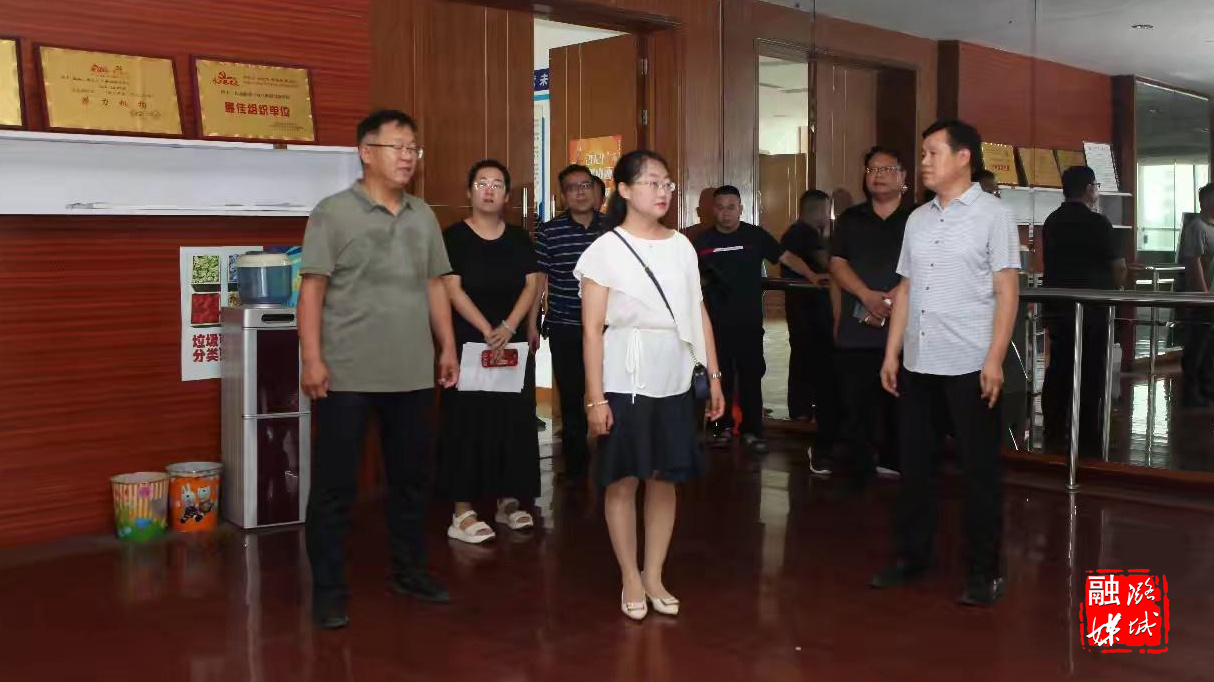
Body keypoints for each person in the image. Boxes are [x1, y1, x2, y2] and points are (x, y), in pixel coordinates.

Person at [299, 110, 458, 629]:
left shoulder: (422, 215)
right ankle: (328, 590)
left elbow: (435, 283)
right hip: (346, 374)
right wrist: (312, 358)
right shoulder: (333, 213)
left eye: (413, 148)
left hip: (411, 373)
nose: (408, 157)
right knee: (335, 487)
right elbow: (312, 289)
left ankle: (409, 571)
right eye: (398, 147)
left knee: (412, 480)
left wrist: (447, 346)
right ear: (367, 153)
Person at [874, 119, 1020, 606]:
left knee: (979, 473)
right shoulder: (917, 219)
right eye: (923, 153)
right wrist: (892, 352)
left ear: (963, 157)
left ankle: (984, 572)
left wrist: (995, 359)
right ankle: (911, 558)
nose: (924, 162)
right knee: (915, 468)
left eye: (933, 152)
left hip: (971, 364)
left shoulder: (994, 215)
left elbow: (1006, 291)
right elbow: (906, 289)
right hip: (919, 363)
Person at [575, 149, 725, 620]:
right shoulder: (605, 249)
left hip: (675, 374)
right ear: (623, 190)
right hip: (625, 376)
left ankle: (654, 573)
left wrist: (714, 375)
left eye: (667, 183)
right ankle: (629, 576)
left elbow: (697, 312)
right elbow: (591, 329)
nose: (662, 191)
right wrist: (595, 397)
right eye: (652, 182)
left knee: (664, 479)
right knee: (623, 480)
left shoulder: (681, 246)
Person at [438, 160, 541, 544]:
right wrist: (486, 329)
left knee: (512, 420)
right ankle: (462, 510)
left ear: (507, 196)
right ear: (469, 192)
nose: (489, 189)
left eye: (497, 184)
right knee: (467, 422)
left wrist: (510, 327)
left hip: (510, 341)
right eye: (481, 183)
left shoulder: (518, 238)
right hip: (470, 339)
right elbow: (451, 288)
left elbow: (532, 284)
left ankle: (508, 500)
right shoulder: (454, 237)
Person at [695, 185, 816, 454]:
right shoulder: (703, 242)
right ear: (713, 210)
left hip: (749, 323)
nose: (726, 213)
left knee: (751, 377)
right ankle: (721, 429)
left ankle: (752, 431)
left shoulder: (755, 236)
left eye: (731, 207)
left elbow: (785, 257)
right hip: (715, 326)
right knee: (721, 379)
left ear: (741, 209)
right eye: (721, 207)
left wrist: (811, 275)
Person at [828, 146, 913, 487]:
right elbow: (837, 263)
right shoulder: (851, 219)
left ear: (903, 176)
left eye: (886, 169)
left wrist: (894, 297)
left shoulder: (918, 218)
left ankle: (897, 461)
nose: (877, 175)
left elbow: (929, 263)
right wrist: (866, 295)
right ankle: (859, 467)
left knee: (902, 401)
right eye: (872, 170)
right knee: (856, 400)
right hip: (858, 327)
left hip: (906, 328)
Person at [1040, 165, 1126, 453]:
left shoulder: (1052, 221)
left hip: (1058, 308)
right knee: (1091, 370)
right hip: (1093, 310)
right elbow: (1118, 269)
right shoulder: (1099, 223)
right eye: (1096, 186)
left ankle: (1053, 430)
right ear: (1090, 189)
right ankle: (1087, 434)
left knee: (1059, 367)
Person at [532, 164, 605, 487]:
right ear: (563, 196)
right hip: (565, 325)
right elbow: (539, 279)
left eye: (585, 185)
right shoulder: (550, 231)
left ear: (594, 189)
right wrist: (533, 322)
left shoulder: (613, 229)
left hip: (609, 329)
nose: (580, 192)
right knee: (572, 397)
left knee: (611, 394)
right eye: (573, 187)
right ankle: (576, 466)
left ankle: (612, 462)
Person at [781, 190, 838, 456]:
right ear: (818, 210)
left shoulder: (798, 233)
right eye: (827, 210)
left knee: (805, 357)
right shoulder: (802, 235)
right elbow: (827, 263)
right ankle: (803, 410)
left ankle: (803, 409)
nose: (829, 216)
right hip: (808, 310)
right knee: (808, 357)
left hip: (807, 310)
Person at [1178, 183, 1214, 406]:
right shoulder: (1196, 227)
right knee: (1198, 345)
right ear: (1204, 201)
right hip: (1203, 299)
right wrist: (1204, 296)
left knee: (1210, 348)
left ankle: (1208, 390)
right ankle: (1192, 392)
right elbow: (1194, 262)